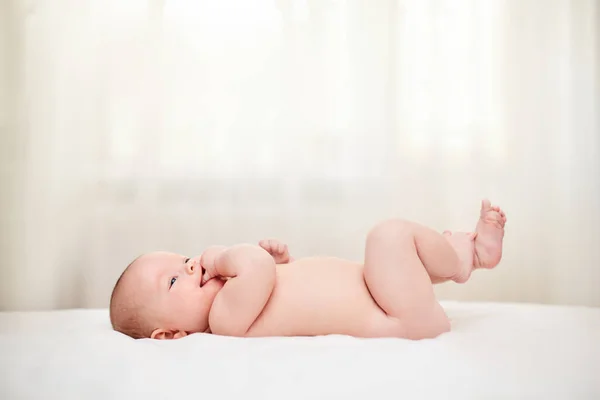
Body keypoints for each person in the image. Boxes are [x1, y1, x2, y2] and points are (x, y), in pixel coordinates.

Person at [109, 199, 506, 340]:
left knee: (388, 258)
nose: (193, 263)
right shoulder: (224, 319)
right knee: (388, 237)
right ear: (169, 335)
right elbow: (256, 265)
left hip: (390, 301)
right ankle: (463, 261)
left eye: (184, 258)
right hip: (397, 318)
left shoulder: (237, 299)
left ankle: (456, 258)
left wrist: (286, 267)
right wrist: (223, 254)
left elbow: (287, 287)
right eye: (175, 279)